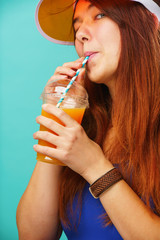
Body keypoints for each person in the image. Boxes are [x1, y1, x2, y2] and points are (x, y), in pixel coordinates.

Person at [16, 0, 160, 239]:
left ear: (151, 23)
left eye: (100, 15)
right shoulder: (84, 127)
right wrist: (56, 120)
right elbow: (33, 235)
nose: (81, 34)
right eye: (77, 26)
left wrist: (95, 167)